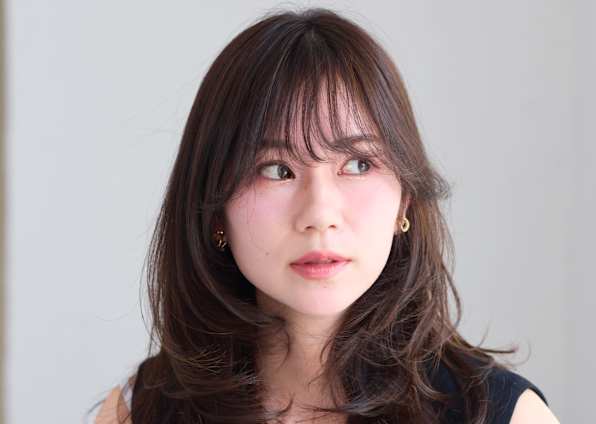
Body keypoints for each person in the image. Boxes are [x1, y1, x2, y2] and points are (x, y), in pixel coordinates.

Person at [89, 7, 560, 424]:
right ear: (214, 209)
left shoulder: (501, 415)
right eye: (277, 170)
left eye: (357, 165)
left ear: (405, 200)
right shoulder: (141, 411)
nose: (319, 214)